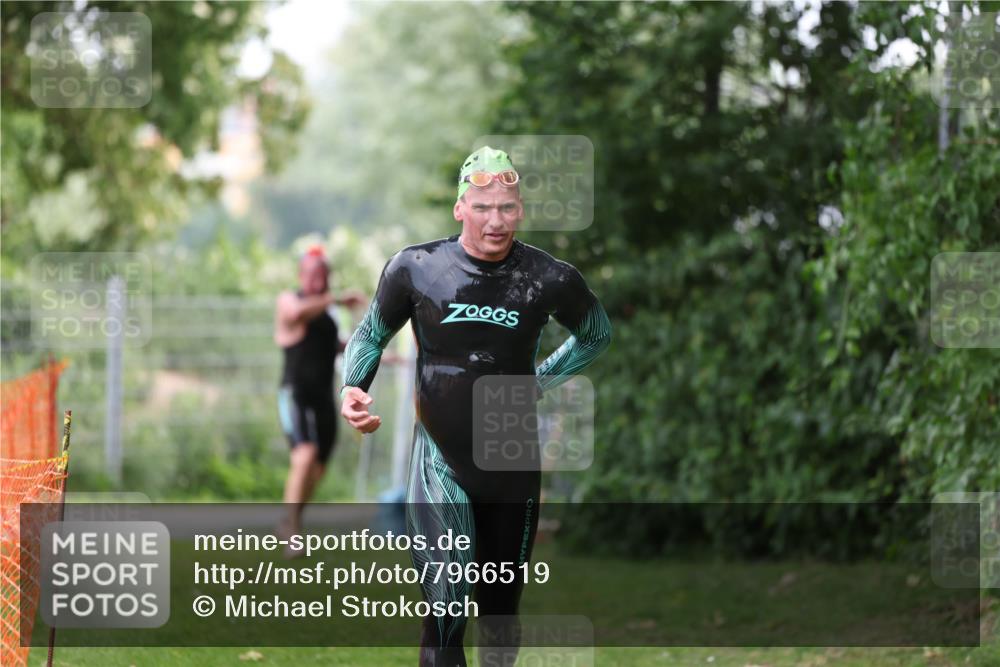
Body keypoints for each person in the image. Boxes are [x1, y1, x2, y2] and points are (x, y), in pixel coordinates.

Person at [340, 147, 612, 666]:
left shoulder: (547, 277)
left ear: (521, 211)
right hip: (441, 454)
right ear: (460, 208)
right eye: (483, 207)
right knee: (447, 605)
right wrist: (354, 385)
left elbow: (596, 334)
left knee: (500, 614)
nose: (496, 220)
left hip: (510, 452)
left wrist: (539, 381)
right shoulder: (416, 269)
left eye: (507, 207)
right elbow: (371, 334)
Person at [274, 246, 365, 554]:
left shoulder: (327, 311)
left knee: (318, 469)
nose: (317, 279)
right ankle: (292, 531)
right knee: (304, 455)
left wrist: (376, 354)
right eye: (312, 274)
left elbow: (335, 344)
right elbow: (296, 315)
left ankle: (290, 521)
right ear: (301, 276)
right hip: (295, 394)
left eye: (322, 274)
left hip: (324, 398)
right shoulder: (290, 300)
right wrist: (337, 298)